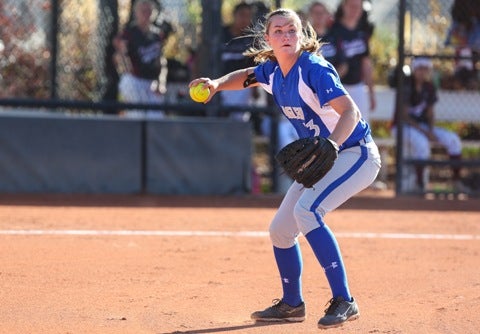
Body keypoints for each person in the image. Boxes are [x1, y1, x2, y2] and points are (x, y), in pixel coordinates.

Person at [189, 8, 381, 329]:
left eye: (291, 30)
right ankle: (292, 304)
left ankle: (344, 299)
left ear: (301, 35)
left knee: (307, 211)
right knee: (280, 229)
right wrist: (217, 83)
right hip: (326, 157)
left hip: (355, 153)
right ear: (268, 39)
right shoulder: (274, 72)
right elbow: (248, 76)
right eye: (278, 31)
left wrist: (331, 144)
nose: (286, 36)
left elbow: (351, 112)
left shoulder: (315, 70)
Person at [392, 57, 469, 193]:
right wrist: (426, 132)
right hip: (402, 127)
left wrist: (431, 130)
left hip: (423, 127)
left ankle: (457, 182)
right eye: (420, 68)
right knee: (422, 143)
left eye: (425, 69)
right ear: (414, 70)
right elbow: (404, 116)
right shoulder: (406, 85)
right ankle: (420, 185)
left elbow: (430, 113)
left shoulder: (429, 87)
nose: (423, 72)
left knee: (453, 140)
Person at [113, 0, 171, 118]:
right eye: (143, 11)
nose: (146, 14)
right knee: (136, 115)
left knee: (156, 117)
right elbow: (119, 56)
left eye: (149, 11)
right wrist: (125, 66)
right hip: (135, 80)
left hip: (152, 83)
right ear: (136, 13)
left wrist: (161, 81)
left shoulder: (157, 34)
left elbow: (161, 61)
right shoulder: (129, 33)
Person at [321, 0, 376, 124]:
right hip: (338, 86)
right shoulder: (333, 29)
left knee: (362, 126)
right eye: (351, 6)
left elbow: (366, 63)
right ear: (343, 6)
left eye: (358, 7)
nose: (354, 10)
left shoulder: (363, 30)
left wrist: (371, 93)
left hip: (358, 86)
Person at [219, 2, 257, 122]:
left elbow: (255, 65)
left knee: (240, 120)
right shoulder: (221, 34)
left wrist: (254, 89)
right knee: (220, 118)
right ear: (234, 15)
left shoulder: (252, 38)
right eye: (241, 15)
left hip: (243, 85)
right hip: (220, 82)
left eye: (248, 16)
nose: (244, 19)